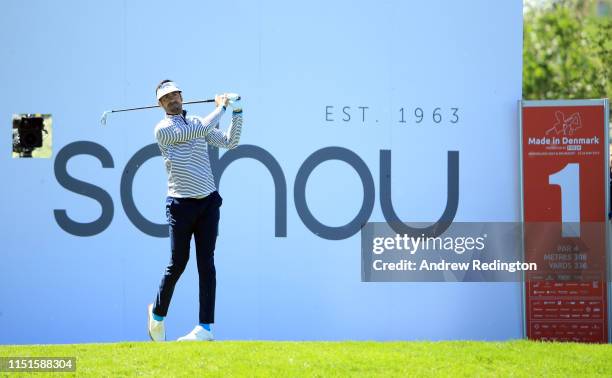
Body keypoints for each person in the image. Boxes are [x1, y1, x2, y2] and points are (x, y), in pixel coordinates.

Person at [147, 80, 243, 341]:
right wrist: (221, 107)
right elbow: (197, 130)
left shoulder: (199, 122)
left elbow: (229, 142)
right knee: (178, 263)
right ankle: (157, 314)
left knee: (206, 265)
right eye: (166, 98)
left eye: (175, 94)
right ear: (160, 104)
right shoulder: (163, 129)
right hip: (180, 205)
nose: (173, 99)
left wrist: (237, 113)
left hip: (208, 202)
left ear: (182, 96)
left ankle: (205, 328)